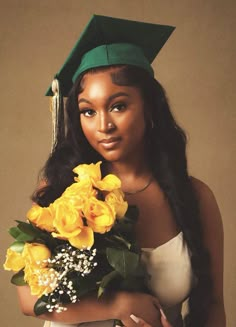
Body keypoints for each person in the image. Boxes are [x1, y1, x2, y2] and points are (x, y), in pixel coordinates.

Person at [16, 15, 225, 327]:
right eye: (88, 111)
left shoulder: (195, 196)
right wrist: (121, 304)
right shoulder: (61, 189)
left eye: (118, 106)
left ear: (150, 108)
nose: (103, 126)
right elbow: (31, 300)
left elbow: (213, 306)